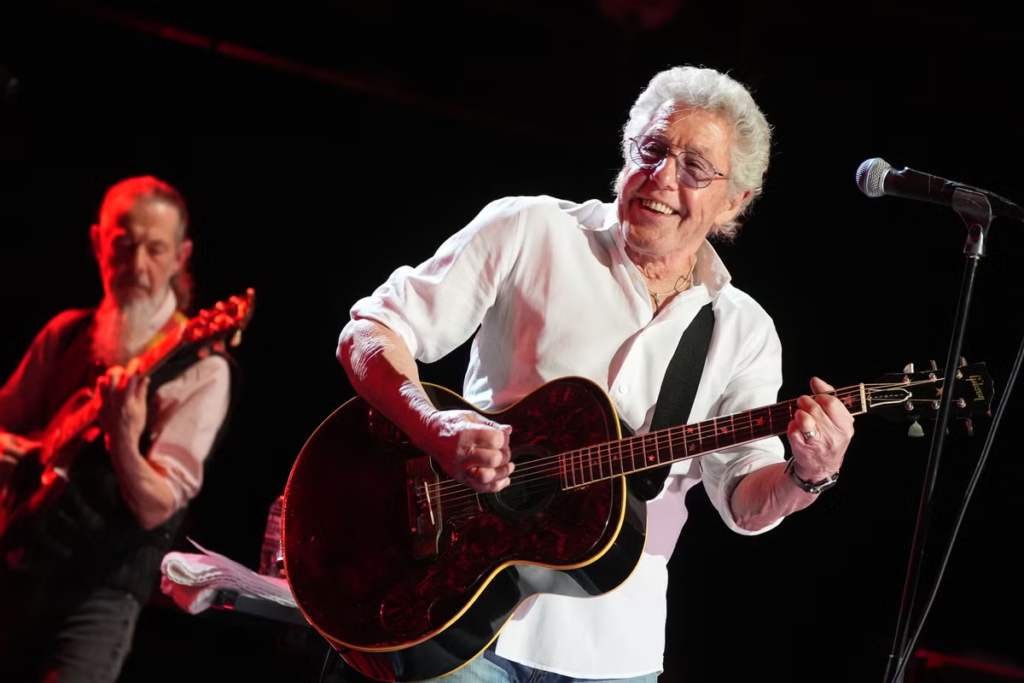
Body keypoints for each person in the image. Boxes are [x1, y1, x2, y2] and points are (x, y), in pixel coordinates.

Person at [335, 65, 855, 682]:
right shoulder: (531, 229)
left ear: (735, 201)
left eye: (694, 167)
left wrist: (807, 474)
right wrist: (433, 429)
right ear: (627, 150)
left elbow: (744, 500)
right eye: (653, 149)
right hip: (453, 605)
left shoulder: (743, 330)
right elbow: (370, 333)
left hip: (613, 653)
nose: (662, 177)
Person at [0, 175, 235, 682]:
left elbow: (156, 506)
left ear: (181, 257)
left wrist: (124, 440)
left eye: (155, 249)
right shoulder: (66, 334)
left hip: (101, 590)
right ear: (97, 244)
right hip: (16, 566)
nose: (138, 265)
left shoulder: (201, 367)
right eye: (124, 245)